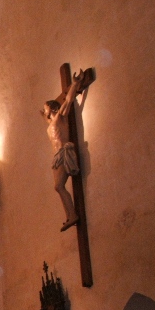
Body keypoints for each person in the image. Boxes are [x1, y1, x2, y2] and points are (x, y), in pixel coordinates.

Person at [41, 69, 89, 232]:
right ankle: (70, 215)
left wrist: (75, 84)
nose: (44, 110)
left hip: (64, 152)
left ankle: (72, 215)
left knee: (58, 186)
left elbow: (68, 100)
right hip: (57, 156)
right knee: (58, 187)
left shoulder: (60, 117)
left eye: (45, 108)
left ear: (52, 108)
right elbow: (48, 122)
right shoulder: (50, 124)